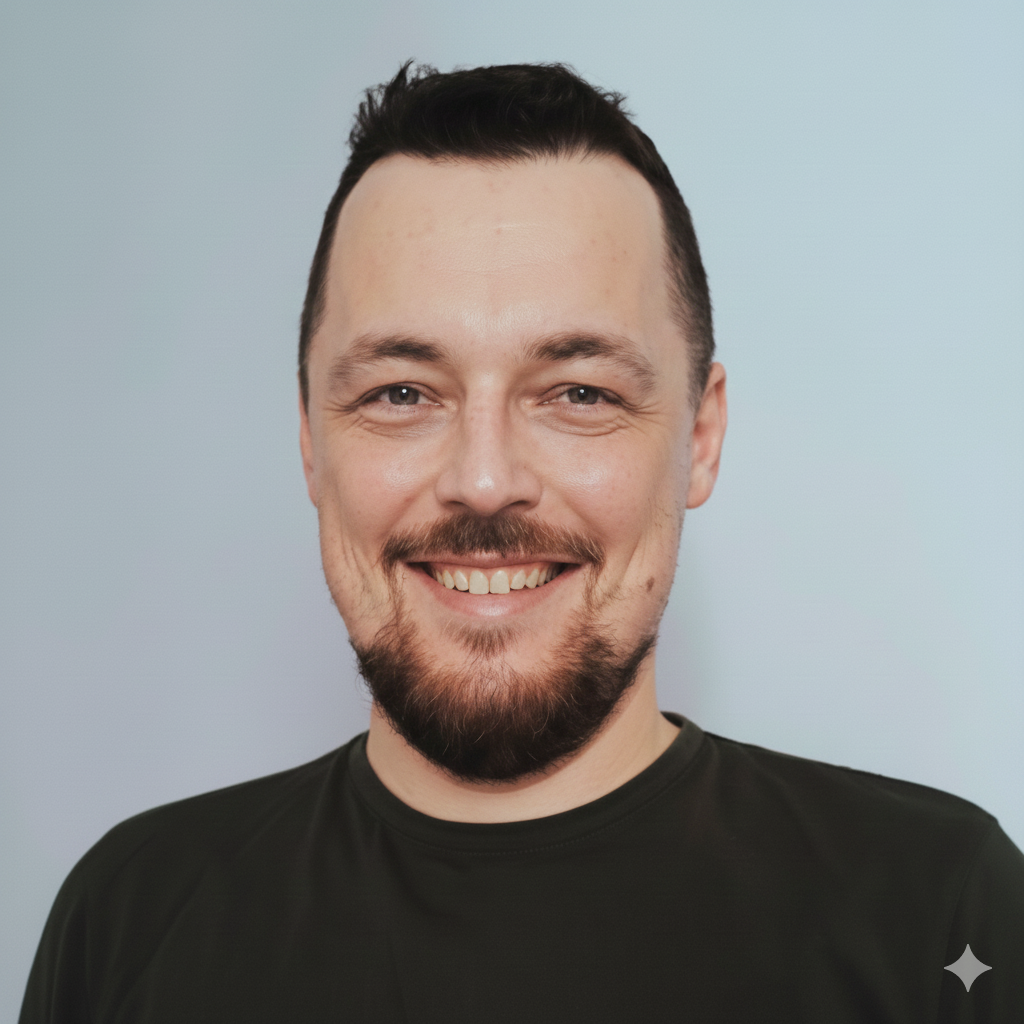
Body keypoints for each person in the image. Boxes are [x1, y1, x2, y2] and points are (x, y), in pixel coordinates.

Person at [20, 62, 1024, 1024]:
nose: (486, 477)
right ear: (311, 442)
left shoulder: (938, 913)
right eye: (401, 393)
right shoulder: (134, 920)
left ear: (700, 437)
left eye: (579, 391)